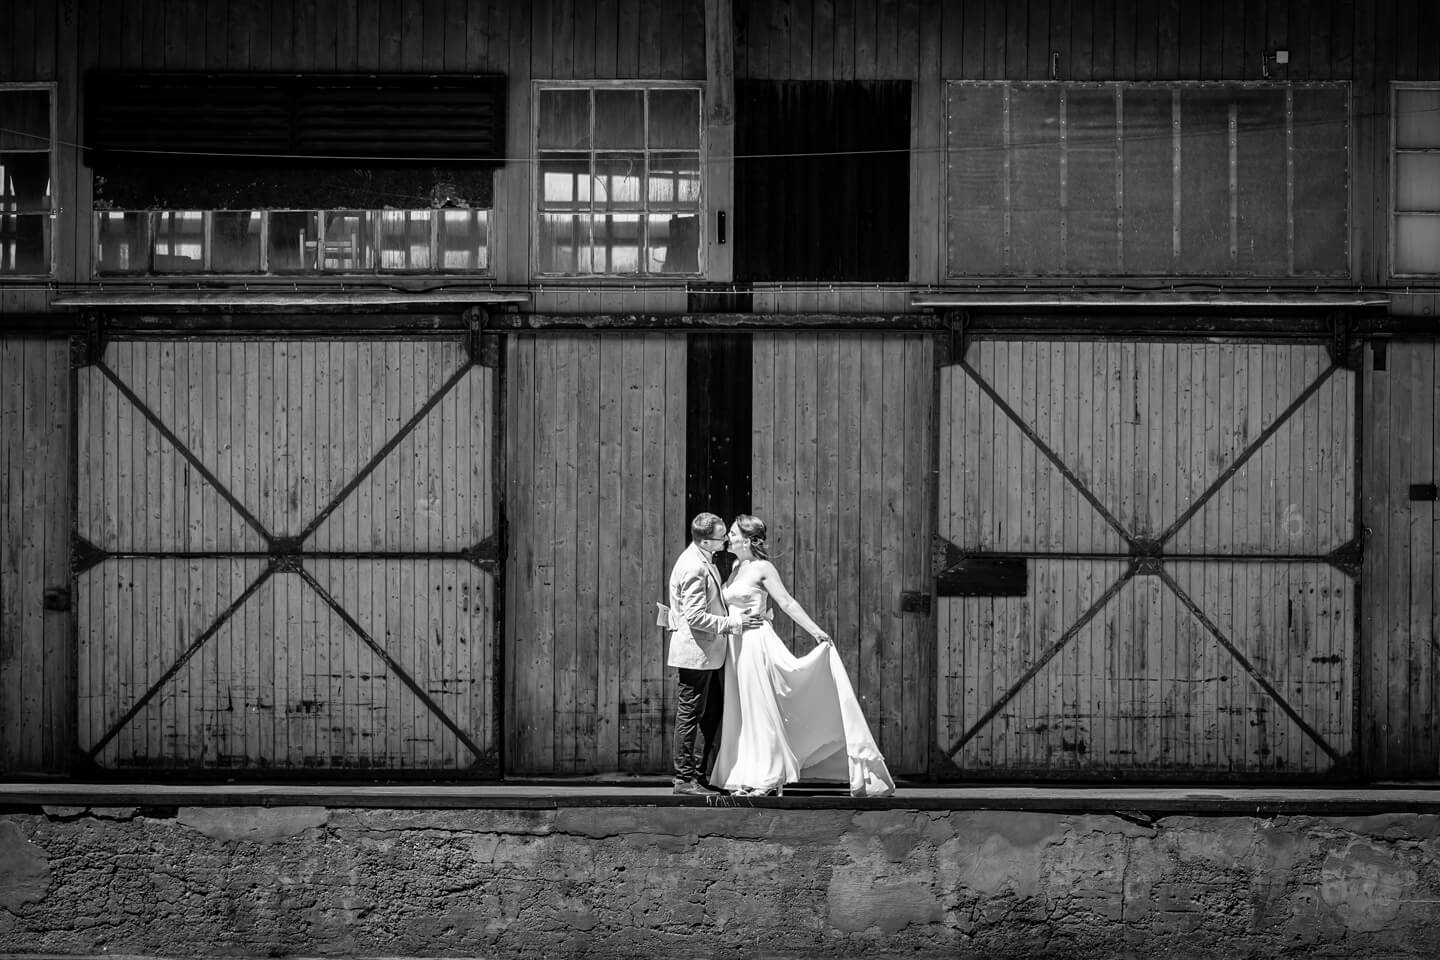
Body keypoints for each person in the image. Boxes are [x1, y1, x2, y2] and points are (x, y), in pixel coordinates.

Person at [708, 513, 895, 798]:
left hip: (756, 644)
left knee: (760, 709)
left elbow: (786, 602)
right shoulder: (735, 566)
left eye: (733, 533)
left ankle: (768, 777)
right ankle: (747, 773)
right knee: (743, 711)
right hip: (736, 646)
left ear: (747, 540)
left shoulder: (763, 568)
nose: (728, 538)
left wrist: (815, 631)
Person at [663, 512, 765, 796]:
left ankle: (699, 774)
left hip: (707, 653)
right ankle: (684, 779)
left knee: (707, 715)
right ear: (706, 541)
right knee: (690, 714)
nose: (725, 541)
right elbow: (695, 616)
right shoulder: (694, 566)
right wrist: (733, 624)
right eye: (721, 537)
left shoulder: (703, 559)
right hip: (696, 653)